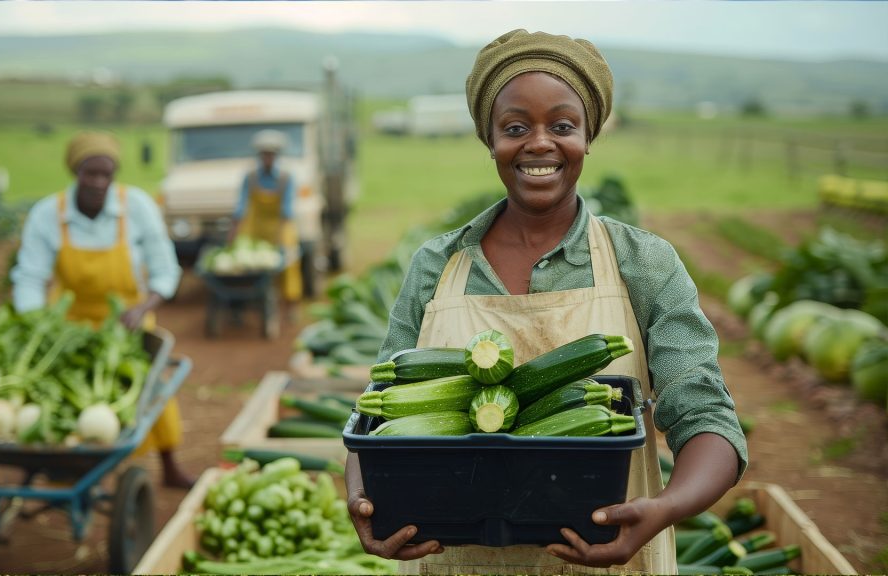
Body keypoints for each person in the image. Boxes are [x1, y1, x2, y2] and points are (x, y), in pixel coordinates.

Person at [345, 29, 748, 574]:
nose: (539, 144)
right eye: (515, 127)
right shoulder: (437, 266)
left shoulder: (644, 262)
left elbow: (705, 413)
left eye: (562, 125)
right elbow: (378, 409)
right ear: (490, 139)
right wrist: (364, 498)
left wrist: (664, 508)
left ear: (588, 136)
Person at [11, 130, 196, 489]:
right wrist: (35, 323)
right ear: (75, 173)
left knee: (151, 390)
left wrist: (145, 306)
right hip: (68, 325)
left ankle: (170, 466)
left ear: (114, 175)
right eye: (89, 173)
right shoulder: (49, 215)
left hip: (127, 322)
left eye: (105, 174)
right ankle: (33, 470)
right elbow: (30, 277)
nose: (98, 182)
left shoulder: (136, 206)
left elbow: (164, 270)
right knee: (49, 390)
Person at [227, 128, 303, 304]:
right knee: (249, 265)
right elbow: (241, 206)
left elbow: (287, 210)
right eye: (264, 154)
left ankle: (290, 303)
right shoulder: (251, 177)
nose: (267, 158)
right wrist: (233, 231)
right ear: (259, 155)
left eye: (271, 154)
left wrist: (280, 236)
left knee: (289, 264)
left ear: (276, 155)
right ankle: (255, 300)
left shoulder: (286, 178)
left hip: (281, 226)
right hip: (256, 227)